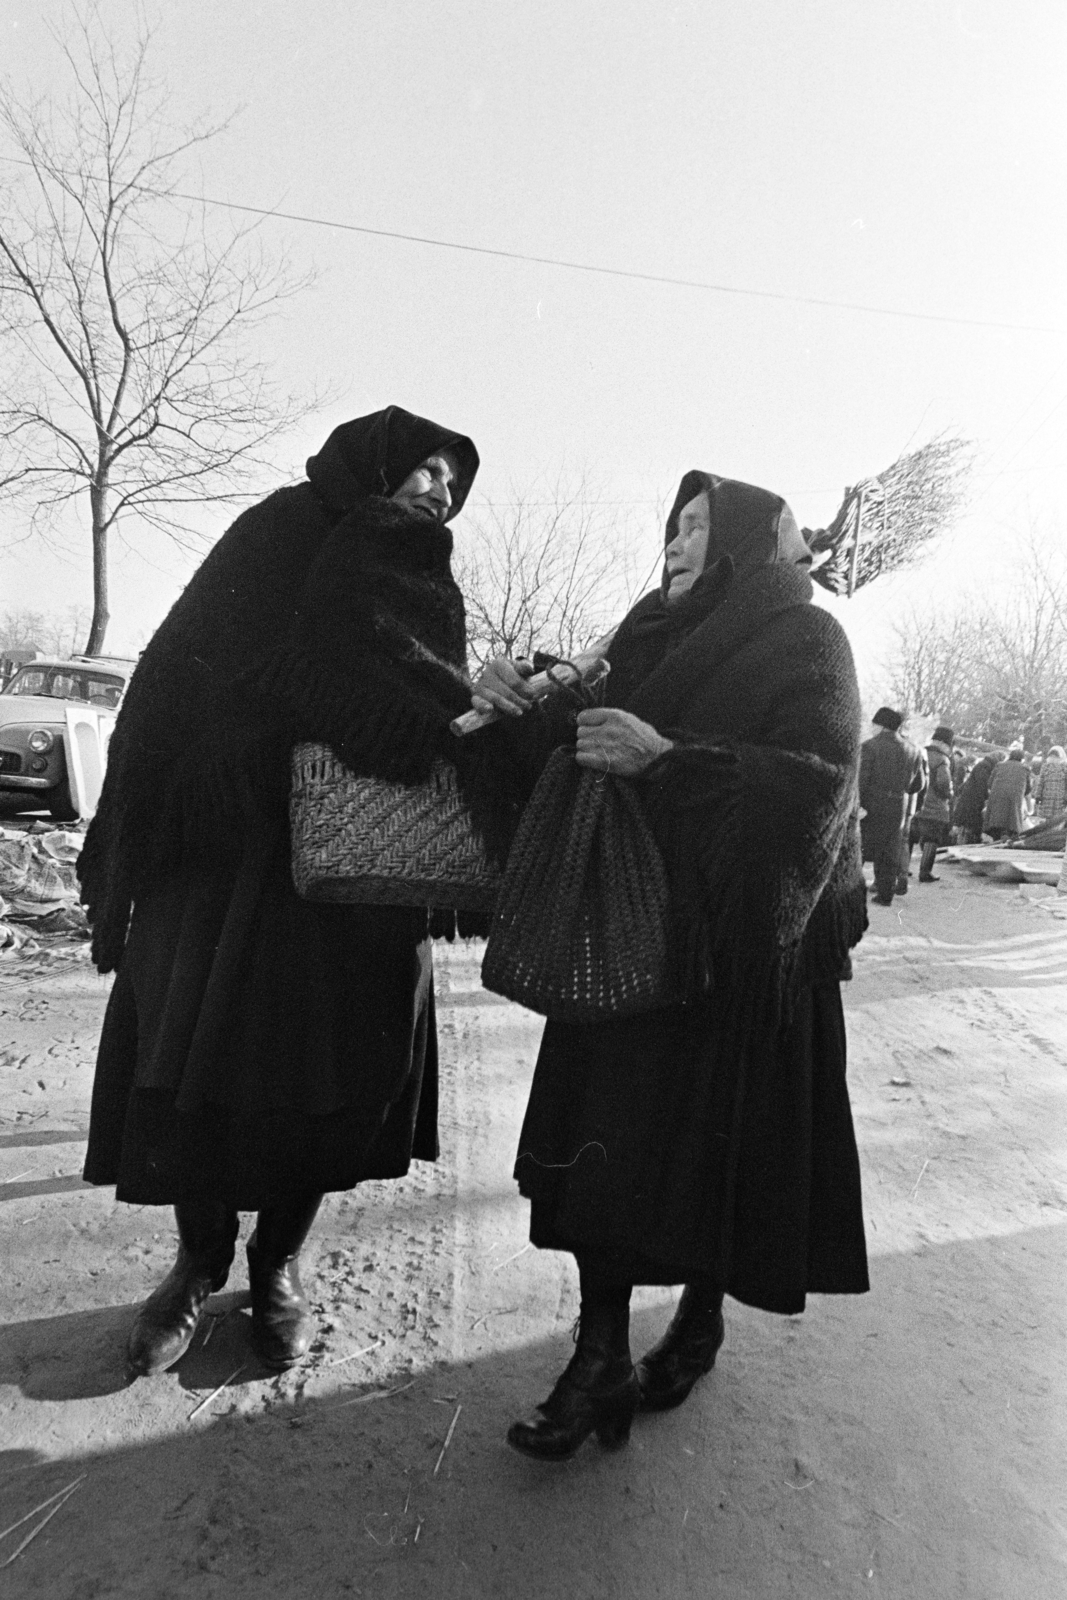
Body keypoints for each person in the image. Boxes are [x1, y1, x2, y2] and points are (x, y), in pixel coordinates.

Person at [79, 406, 490, 1377]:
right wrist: (284, 706)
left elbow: (425, 707)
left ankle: (275, 1267)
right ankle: (195, 1262)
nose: (438, 487)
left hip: (352, 882)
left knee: (331, 1076)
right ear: (371, 461)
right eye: (423, 467)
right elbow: (184, 672)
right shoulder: (280, 529)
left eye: (450, 478)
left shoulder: (424, 575)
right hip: (232, 852)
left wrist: (471, 718)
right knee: (201, 1067)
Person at [471, 471, 869, 1461]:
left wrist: (672, 760)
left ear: (739, 543)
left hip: (744, 947)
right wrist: (521, 713)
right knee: (595, 1163)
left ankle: (696, 1320)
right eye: (670, 527)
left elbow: (818, 785)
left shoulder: (805, 638)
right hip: (627, 935)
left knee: (712, 1163)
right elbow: (576, 762)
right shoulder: (640, 637)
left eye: (696, 527)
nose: (675, 542)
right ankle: (597, 1356)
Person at [859, 708, 924, 905]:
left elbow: (861, 780)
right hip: (898, 806)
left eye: (873, 724)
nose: (871, 728)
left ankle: (848, 891)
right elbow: (917, 785)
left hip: (871, 804)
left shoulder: (869, 746)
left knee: (860, 848)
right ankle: (885, 895)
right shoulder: (913, 750)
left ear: (881, 725)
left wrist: (857, 805)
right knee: (889, 850)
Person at [907, 724, 955, 883]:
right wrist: (949, 794)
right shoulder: (942, 760)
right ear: (946, 743)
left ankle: (902, 869)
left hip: (915, 803)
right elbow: (943, 783)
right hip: (934, 807)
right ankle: (925, 872)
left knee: (910, 837)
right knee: (931, 838)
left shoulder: (920, 753)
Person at [983, 743, 1031, 839]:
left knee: (996, 822)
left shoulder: (999, 765)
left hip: (997, 797)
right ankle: (1008, 838)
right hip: (1014, 800)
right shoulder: (1025, 769)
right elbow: (1027, 790)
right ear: (1022, 759)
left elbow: (989, 784)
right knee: (1012, 822)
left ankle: (996, 838)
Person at [953, 751, 1000, 843]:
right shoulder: (985, 766)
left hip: (970, 799)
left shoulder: (984, 765)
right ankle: (964, 844)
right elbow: (982, 784)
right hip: (973, 800)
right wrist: (988, 796)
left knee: (967, 825)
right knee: (970, 826)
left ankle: (963, 842)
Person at [1033, 746, 1067, 822]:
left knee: (1057, 820)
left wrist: (1066, 798)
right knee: (1047, 820)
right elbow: (1040, 783)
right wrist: (1038, 796)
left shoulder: (1065, 768)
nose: (1053, 757)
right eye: (1051, 755)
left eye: (1055, 756)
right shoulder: (1045, 767)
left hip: (1059, 799)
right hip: (1046, 797)